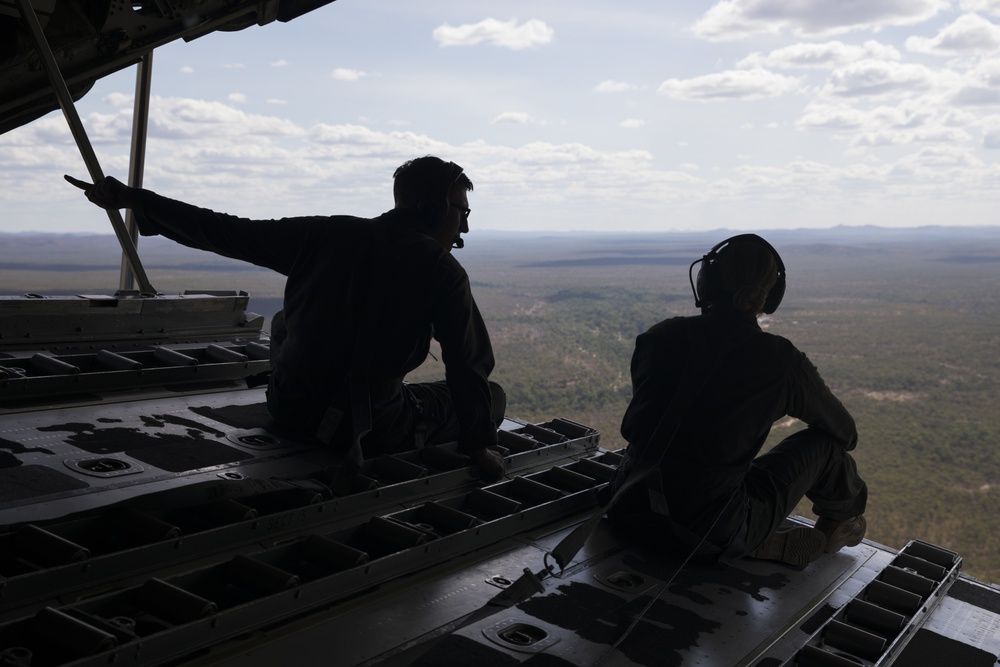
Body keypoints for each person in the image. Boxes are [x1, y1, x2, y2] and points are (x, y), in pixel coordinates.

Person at [66, 156, 506, 483]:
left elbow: (223, 230)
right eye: (461, 212)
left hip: (288, 408)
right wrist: (480, 446)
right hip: (363, 430)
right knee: (493, 395)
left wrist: (136, 201)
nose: (464, 227)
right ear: (431, 209)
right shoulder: (441, 270)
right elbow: (468, 365)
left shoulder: (323, 233)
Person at [606, 234, 867, 566]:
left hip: (626, 506)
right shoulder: (780, 359)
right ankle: (836, 529)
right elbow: (846, 434)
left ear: (705, 281)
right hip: (708, 530)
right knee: (827, 448)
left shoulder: (659, 336)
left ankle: (751, 537)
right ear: (770, 296)